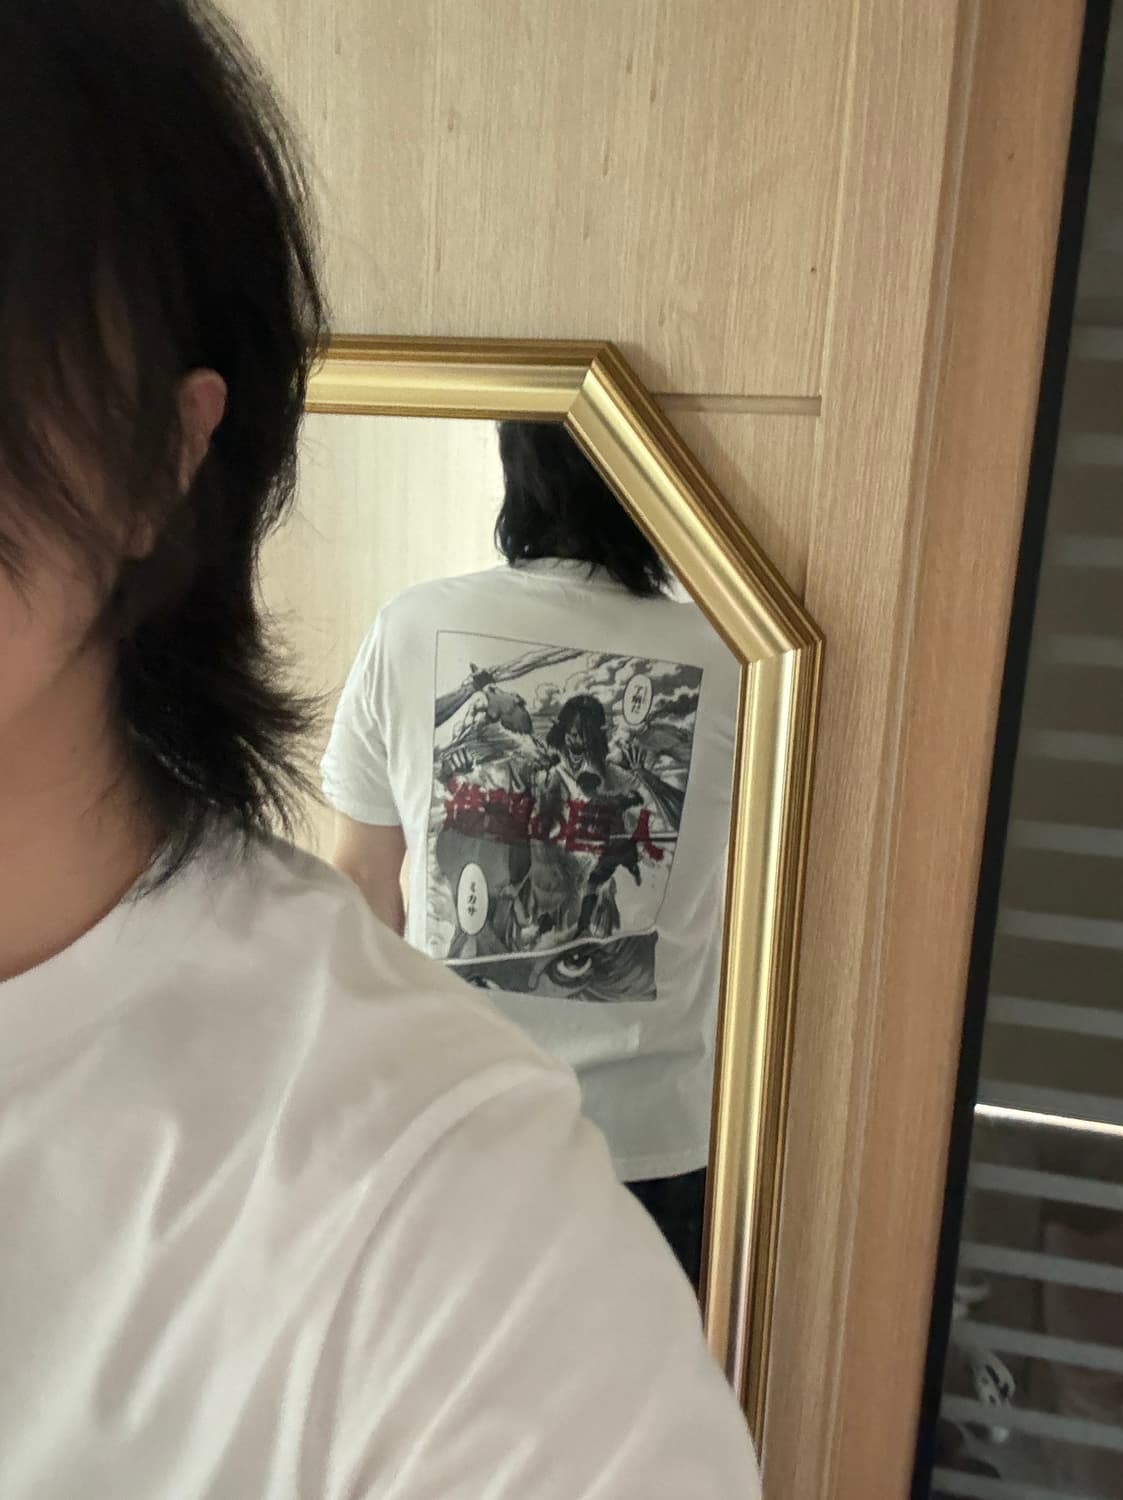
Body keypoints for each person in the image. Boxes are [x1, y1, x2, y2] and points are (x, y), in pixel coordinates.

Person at [0, 1, 763, 1494]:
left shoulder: (457, 1244)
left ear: (167, 453)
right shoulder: (725, 659)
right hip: (660, 1121)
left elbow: (364, 880)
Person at [323, 422, 740, 1290]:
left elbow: (359, 891)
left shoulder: (412, 626)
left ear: (516, 460)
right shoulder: (734, 653)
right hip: (650, 1145)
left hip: (452, 1126)